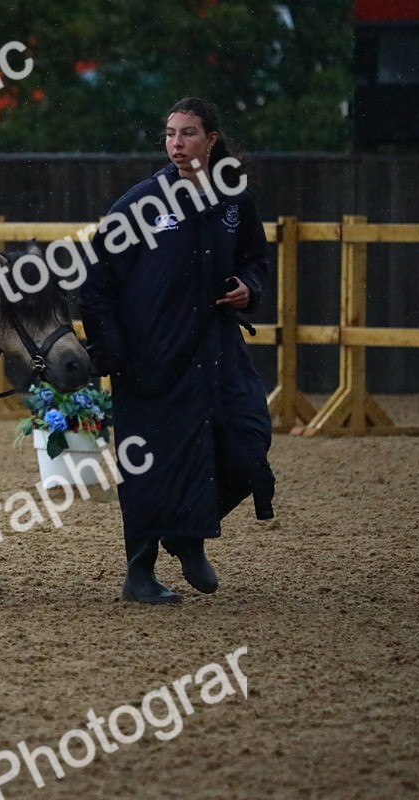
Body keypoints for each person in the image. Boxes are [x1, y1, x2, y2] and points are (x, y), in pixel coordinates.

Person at [79, 97, 276, 604]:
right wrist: (112, 350)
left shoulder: (236, 201)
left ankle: (188, 534)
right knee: (150, 464)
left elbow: (257, 259)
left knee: (249, 439)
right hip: (150, 358)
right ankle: (139, 572)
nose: (176, 144)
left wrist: (249, 288)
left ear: (211, 139)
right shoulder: (141, 204)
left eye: (187, 133)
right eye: (170, 134)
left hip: (218, 350)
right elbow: (96, 281)